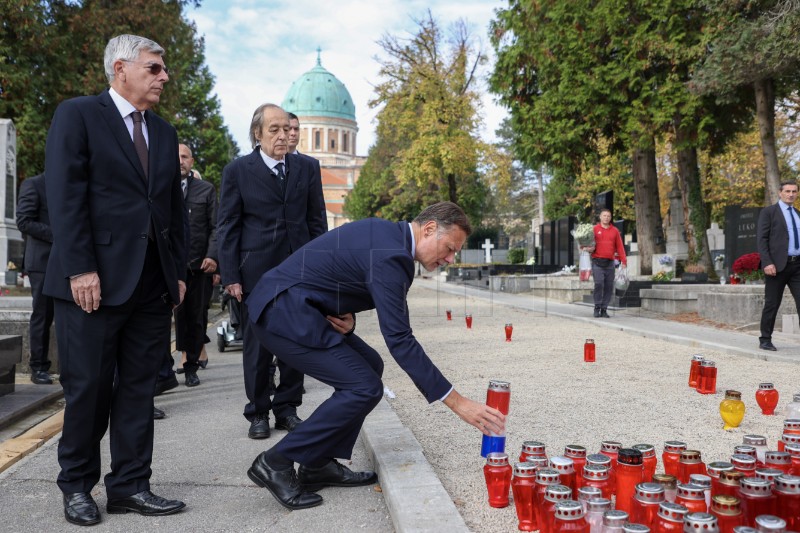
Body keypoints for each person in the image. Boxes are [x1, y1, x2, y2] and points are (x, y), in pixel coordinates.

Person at [244, 201, 506, 510]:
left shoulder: (387, 236)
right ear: (430, 228)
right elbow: (400, 339)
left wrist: (347, 315)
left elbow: (337, 270)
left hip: (300, 307)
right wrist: (458, 402)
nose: (449, 259)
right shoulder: (393, 256)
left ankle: (317, 463)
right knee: (364, 387)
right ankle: (275, 461)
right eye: (449, 248)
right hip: (282, 313)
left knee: (371, 365)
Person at [43, 34, 186, 526]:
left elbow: (172, 210)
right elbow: (65, 198)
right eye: (154, 68)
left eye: (163, 68)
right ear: (120, 69)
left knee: (139, 390)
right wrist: (80, 267)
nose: (163, 76)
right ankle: (77, 486)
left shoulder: (164, 134)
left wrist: (177, 272)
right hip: (94, 282)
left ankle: (129, 485)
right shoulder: (79, 115)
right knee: (89, 388)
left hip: (150, 284)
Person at [217, 103, 327, 440]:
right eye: (275, 129)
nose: (283, 135)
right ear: (258, 133)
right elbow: (228, 227)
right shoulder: (238, 171)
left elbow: (316, 222)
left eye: (287, 129)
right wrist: (232, 275)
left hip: (299, 271)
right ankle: (258, 412)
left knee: (296, 342)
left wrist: (322, 269)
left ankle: (288, 408)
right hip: (256, 274)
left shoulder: (307, 168)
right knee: (259, 348)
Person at [174, 143, 217, 386]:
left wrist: (212, 256)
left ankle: (191, 367)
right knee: (168, 318)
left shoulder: (206, 190)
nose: (180, 161)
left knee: (195, 316)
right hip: (168, 266)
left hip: (197, 267)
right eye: (176, 156)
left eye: (185, 157)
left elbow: (216, 226)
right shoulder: (161, 188)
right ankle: (160, 372)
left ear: (192, 161)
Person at [16, 174, 55, 385]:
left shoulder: (68, 184)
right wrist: (58, 234)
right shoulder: (34, 184)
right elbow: (23, 221)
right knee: (42, 315)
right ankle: (38, 367)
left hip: (66, 262)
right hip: (41, 263)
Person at [757, 180, 800, 351]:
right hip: (776, 267)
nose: (791, 194)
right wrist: (767, 262)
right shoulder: (769, 212)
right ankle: (765, 339)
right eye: (788, 191)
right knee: (772, 303)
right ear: (780, 192)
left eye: (794, 191)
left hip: (797, 266)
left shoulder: (798, 213)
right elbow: (762, 239)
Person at [588, 209, 626, 318]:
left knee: (609, 286)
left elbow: (619, 246)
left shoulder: (614, 231)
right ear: (600, 217)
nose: (606, 218)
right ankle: (597, 307)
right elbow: (587, 243)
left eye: (608, 216)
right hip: (597, 262)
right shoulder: (594, 229)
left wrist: (623, 260)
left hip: (610, 263)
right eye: (604, 216)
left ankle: (604, 309)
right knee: (599, 284)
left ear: (610, 218)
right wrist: (586, 248)